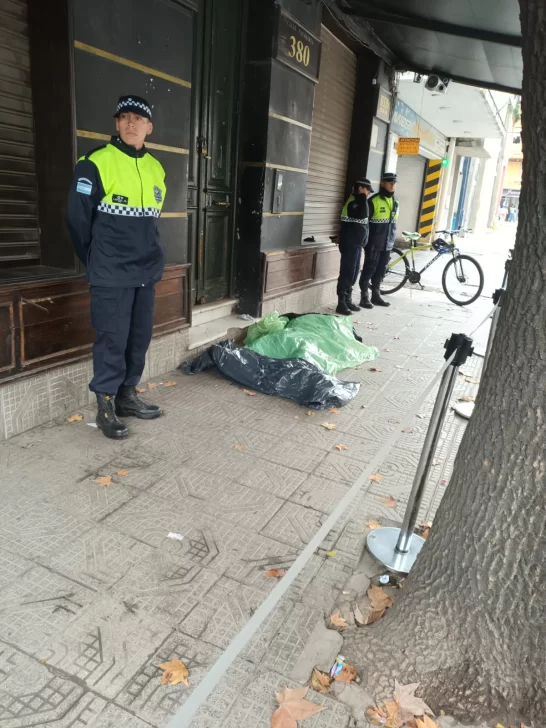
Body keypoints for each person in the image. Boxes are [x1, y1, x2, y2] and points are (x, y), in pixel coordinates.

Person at [67, 95, 166, 439]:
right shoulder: (95, 162)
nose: (131, 123)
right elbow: (77, 220)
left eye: (138, 118)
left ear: (149, 127)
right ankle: (106, 404)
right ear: (117, 123)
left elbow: (151, 223)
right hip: (110, 272)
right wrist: (95, 260)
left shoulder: (156, 168)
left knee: (138, 338)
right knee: (112, 339)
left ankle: (127, 396)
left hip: (145, 273)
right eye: (124, 117)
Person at [359, 172, 399, 309]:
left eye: (394, 182)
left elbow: (393, 224)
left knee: (381, 271)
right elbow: (365, 223)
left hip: (387, 244)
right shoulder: (373, 200)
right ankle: (364, 296)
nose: (392, 185)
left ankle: (375, 295)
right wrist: (366, 242)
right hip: (374, 244)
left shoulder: (395, 202)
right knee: (369, 269)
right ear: (383, 183)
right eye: (389, 182)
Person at [336, 179, 374, 316]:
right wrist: (362, 196)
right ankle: (341, 303)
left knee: (353, 273)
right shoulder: (353, 202)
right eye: (367, 190)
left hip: (357, 244)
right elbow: (362, 214)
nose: (368, 193)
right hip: (349, 244)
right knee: (347, 272)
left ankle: (348, 300)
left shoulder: (359, 202)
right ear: (361, 188)